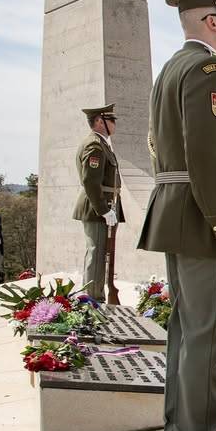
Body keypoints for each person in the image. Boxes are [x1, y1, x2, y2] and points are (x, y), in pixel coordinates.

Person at [137, 0, 216, 431]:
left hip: (177, 211)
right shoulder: (209, 70)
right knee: (205, 331)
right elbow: (206, 157)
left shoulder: (171, 68)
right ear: (212, 22)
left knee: (186, 330)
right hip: (202, 216)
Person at [74, 104, 125, 302]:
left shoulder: (101, 144)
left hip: (104, 205)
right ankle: (92, 300)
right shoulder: (94, 146)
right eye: (111, 120)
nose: (114, 124)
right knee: (96, 253)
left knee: (101, 252)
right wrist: (103, 209)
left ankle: (96, 295)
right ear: (99, 122)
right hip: (97, 207)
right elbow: (90, 181)